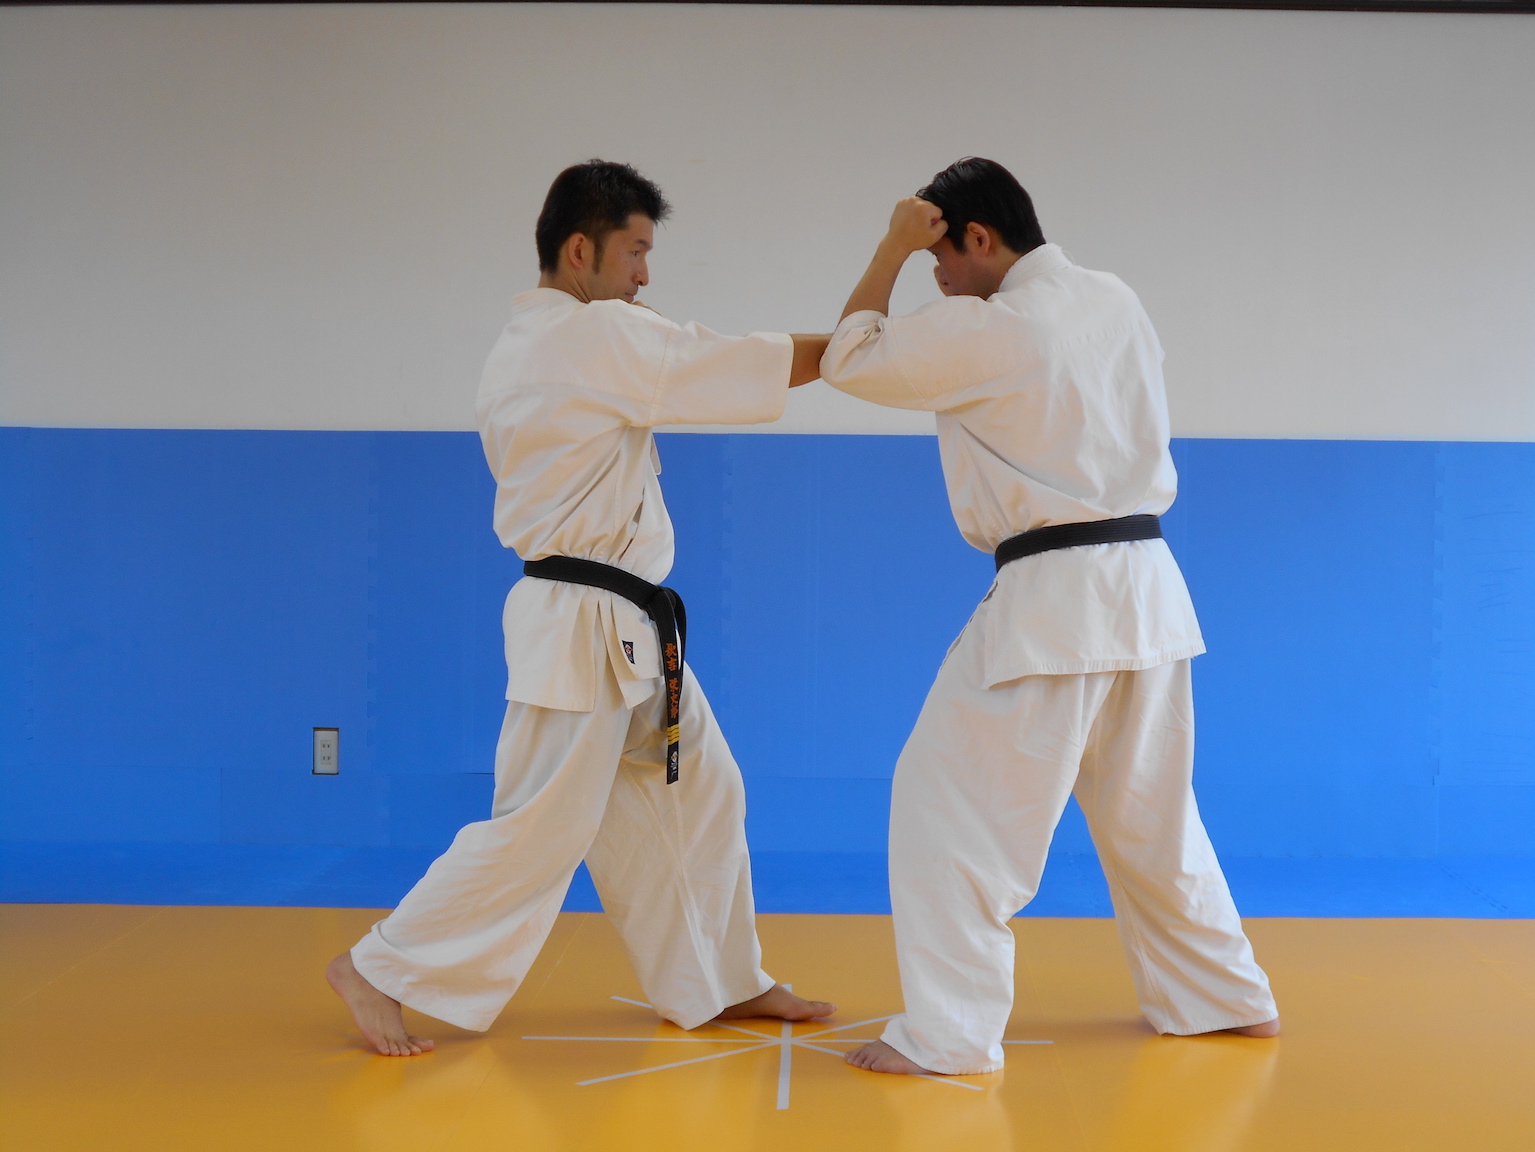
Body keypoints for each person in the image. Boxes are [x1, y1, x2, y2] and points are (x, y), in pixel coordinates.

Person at [328, 159, 835, 1056]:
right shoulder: (589, 338)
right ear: (578, 251)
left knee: (698, 788)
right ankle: (380, 967)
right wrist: (859, 340)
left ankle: (718, 980)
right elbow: (740, 363)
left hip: (619, 626)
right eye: (634, 251)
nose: (644, 273)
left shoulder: (533, 342)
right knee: (541, 825)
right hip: (580, 625)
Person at [820, 158, 1278, 1077]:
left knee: (946, 812)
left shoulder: (991, 327)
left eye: (940, 259)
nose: (937, 279)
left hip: (1055, 600)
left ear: (978, 238)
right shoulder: (1112, 297)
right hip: (1148, 590)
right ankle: (1223, 998)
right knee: (1152, 819)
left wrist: (889, 248)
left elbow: (848, 358)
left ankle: (949, 1036)